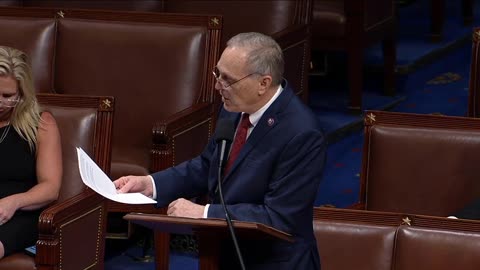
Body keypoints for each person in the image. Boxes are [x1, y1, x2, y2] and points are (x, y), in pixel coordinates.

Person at [114, 32, 326, 269]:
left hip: (272, 262)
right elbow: (208, 165)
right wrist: (151, 184)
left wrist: (204, 213)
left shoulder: (302, 133)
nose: (218, 86)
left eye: (228, 79)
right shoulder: (234, 108)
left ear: (263, 83)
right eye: (218, 74)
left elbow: (278, 217)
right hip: (224, 253)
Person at [0, 46, 62, 259]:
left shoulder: (41, 124)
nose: (0, 102)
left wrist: (15, 201)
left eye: (7, 95)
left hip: (18, 212)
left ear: (22, 94)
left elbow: (51, 187)